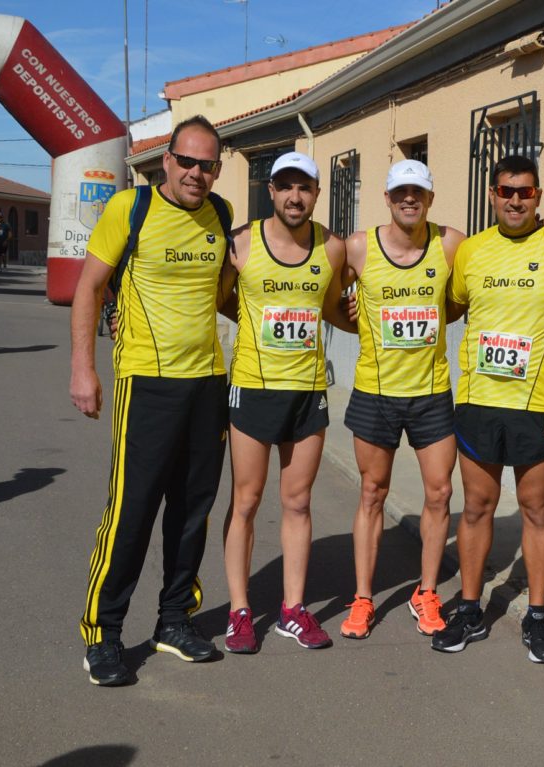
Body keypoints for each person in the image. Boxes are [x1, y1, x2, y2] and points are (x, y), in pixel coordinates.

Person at [431, 154, 544, 663]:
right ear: (492, 194)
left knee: (536, 510)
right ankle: (470, 609)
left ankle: (537, 616)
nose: (515, 200)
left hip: (540, 408)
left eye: (526, 192)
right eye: (506, 191)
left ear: (539, 196)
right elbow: (447, 307)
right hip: (478, 403)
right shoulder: (470, 252)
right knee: (476, 509)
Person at [70, 115, 232, 686]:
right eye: (185, 160)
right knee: (131, 511)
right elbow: (89, 287)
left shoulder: (222, 215)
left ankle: (173, 622)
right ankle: (103, 634)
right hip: (146, 383)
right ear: (166, 160)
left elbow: (222, 294)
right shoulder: (130, 209)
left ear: (218, 168)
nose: (194, 172)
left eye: (206, 164)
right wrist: (84, 369)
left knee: (192, 512)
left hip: (208, 383)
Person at [221, 151, 351, 654]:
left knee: (297, 502)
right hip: (253, 388)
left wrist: (361, 314)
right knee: (247, 502)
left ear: (316, 194)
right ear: (270, 191)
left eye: (305, 188)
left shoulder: (332, 248)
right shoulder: (242, 242)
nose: (295, 197)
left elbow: (336, 309)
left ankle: (293, 611)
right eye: (285, 187)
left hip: (307, 391)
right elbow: (220, 297)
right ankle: (239, 610)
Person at [336, 159, 465, 640]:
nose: (409, 199)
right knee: (372, 494)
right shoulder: (358, 248)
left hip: (432, 394)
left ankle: (426, 592)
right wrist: (348, 317)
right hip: (375, 393)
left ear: (429, 198)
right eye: (400, 193)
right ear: (387, 199)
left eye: (418, 192)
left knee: (440, 493)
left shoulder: (450, 243)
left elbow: (475, 283)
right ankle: (364, 597)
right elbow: (328, 297)